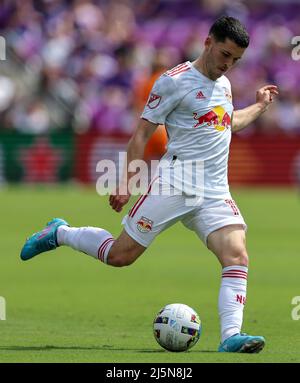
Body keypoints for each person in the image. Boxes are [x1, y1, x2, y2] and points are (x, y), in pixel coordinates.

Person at [20, 16, 279, 353]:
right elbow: (141, 134)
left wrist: (259, 105)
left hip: (214, 190)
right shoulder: (173, 82)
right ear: (208, 42)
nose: (228, 64)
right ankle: (60, 232)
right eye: (225, 54)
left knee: (237, 255)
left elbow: (228, 123)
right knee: (119, 256)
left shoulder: (224, 85)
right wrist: (126, 180)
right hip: (173, 184)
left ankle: (231, 336)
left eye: (236, 60)